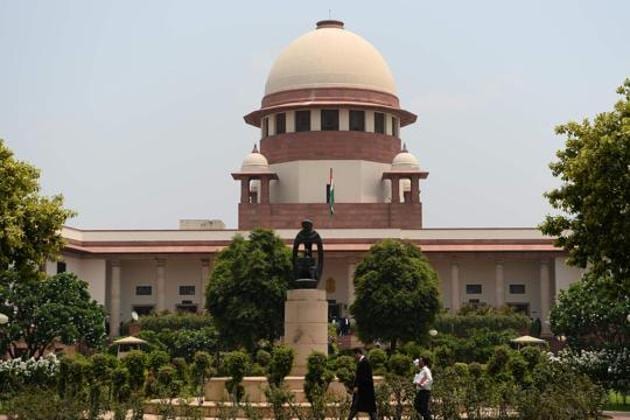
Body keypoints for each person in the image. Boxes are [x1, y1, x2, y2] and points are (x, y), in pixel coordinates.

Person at [348, 348, 377, 420]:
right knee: (365, 408)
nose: (354, 357)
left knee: (359, 407)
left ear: (358, 353)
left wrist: (357, 386)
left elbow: (362, 377)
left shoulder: (364, 362)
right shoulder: (362, 362)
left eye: (354, 355)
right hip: (363, 390)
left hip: (364, 390)